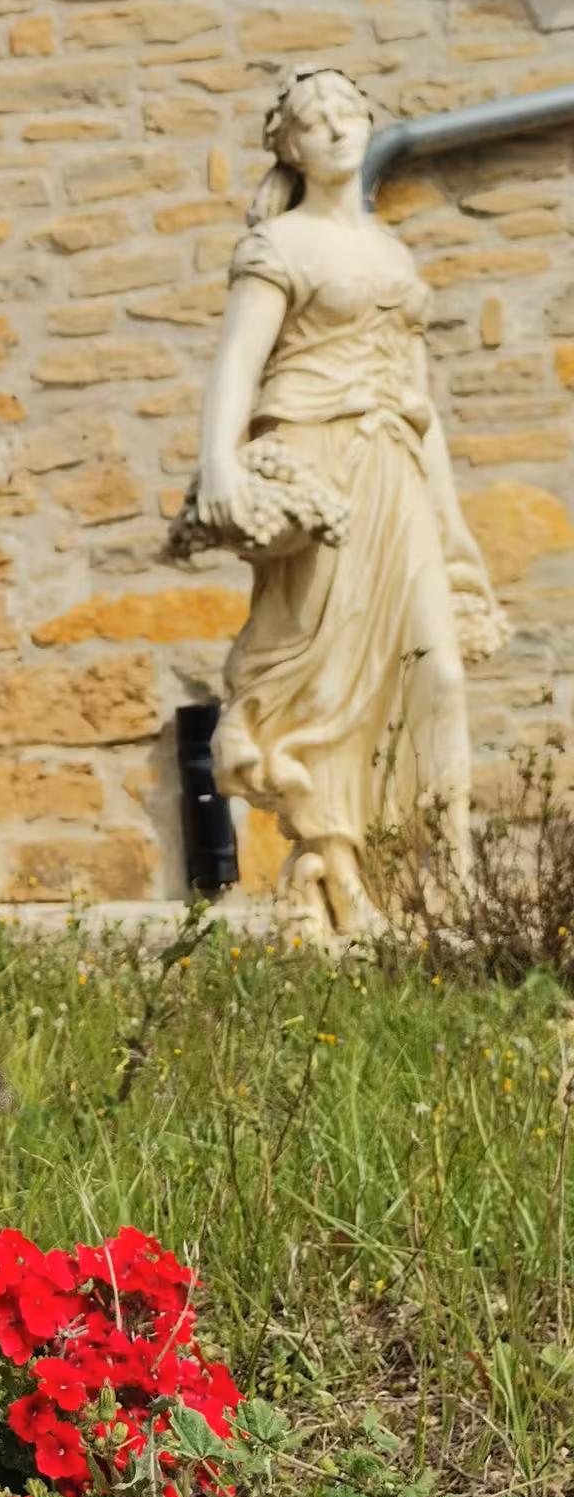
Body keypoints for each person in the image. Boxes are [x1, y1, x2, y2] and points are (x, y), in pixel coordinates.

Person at [194, 67, 503, 933]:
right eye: (313, 118)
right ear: (289, 146)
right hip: (319, 468)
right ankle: (334, 873)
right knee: (330, 681)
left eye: (347, 111)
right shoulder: (279, 246)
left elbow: (421, 400)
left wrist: (453, 525)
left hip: (397, 470)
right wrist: (221, 464)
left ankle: (441, 881)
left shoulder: (393, 254)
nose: (335, 127)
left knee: (436, 670)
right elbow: (237, 366)